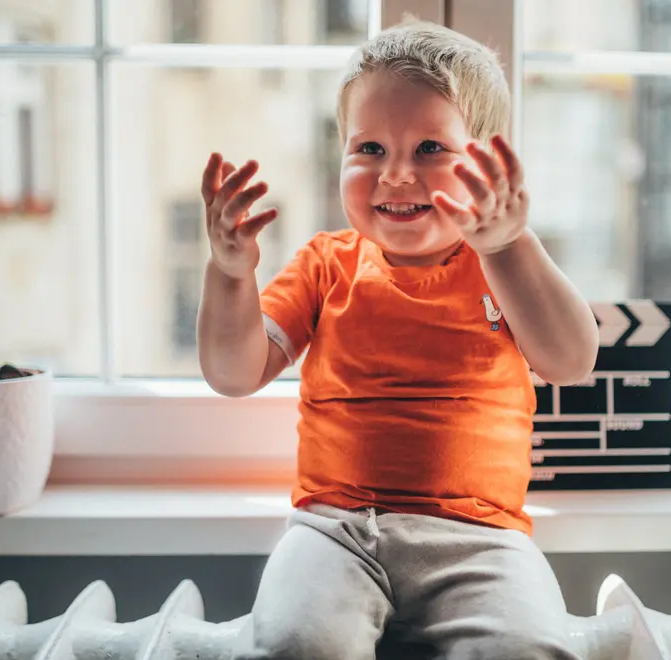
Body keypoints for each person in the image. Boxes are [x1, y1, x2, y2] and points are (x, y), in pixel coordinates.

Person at [196, 19, 599, 660]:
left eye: (430, 149)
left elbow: (572, 360)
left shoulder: (501, 265)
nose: (396, 175)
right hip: (333, 531)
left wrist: (508, 245)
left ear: (486, 162)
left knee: (525, 649)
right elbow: (233, 371)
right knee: (293, 645)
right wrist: (229, 272)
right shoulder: (325, 264)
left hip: (481, 538)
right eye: (370, 149)